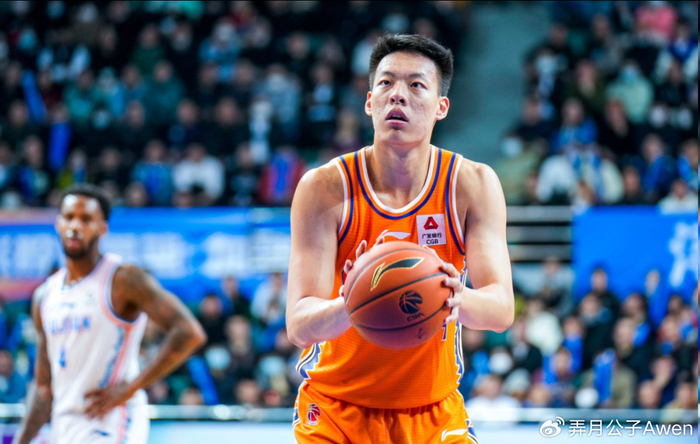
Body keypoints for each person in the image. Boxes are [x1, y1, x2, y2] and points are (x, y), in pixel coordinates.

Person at [286, 34, 514, 444]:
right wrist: (352, 302)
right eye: (386, 83)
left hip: (434, 413)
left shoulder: (472, 184)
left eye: (416, 85)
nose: (398, 95)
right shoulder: (324, 187)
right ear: (369, 102)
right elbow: (300, 325)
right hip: (336, 413)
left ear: (441, 107)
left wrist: (453, 296)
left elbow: (500, 311)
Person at [13, 184, 207, 444]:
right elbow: (44, 387)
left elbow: (189, 332)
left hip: (113, 421)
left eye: (86, 219)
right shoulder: (45, 296)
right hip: (65, 425)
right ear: (58, 224)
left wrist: (131, 388)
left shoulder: (123, 279)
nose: (75, 226)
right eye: (69, 217)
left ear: (103, 228)